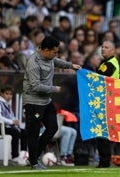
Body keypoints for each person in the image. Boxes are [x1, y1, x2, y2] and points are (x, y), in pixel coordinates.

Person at [22, 36, 81, 170]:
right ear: (46, 50)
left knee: (53, 128)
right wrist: (55, 89)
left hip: (46, 101)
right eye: (54, 52)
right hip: (33, 102)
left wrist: (71, 66)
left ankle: (33, 156)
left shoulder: (49, 58)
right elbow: (35, 86)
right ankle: (34, 162)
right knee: (34, 132)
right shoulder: (33, 63)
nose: (56, 54)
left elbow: (57, 61)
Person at [95, 40, 120, 168]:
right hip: (104, 101)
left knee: (103, 133)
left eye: (106, 47)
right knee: (101, 132)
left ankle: (104, 161)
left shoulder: (110, 64)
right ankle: (103, 161)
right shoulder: (105, 63)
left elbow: (97, 78)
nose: (103, 49)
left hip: (106, 102)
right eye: (102, 46)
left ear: (113, 51)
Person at [0, 85, 28, 164]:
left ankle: (23, 156)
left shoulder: (7, 103)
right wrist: (12, 122)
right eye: (7, 94)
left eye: (10, 94)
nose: (9, 96)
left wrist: (15, 121)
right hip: (0, 126)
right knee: (15, 132)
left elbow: (11, 116)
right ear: (1, 94)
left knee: (24, 132)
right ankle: (15, 156)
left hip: (6, 127)